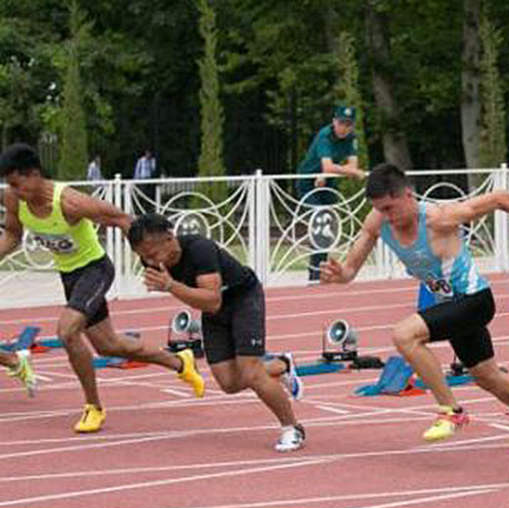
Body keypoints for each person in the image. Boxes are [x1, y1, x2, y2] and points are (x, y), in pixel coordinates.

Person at [319, 163, 509, 451]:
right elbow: (349, 271)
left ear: (408, 195)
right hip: (450, 305)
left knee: (405, 335)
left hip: (475, 300)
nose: (387, 217)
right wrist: (339, 275)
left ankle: (451, 411)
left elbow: (500, 197)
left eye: (390, 208)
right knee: (487, 377)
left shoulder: (439, 218)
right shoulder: (377, 222)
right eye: (379, 209)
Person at [0, 143, 205, 432]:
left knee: (67, 331)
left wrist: (148, 258)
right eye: (9, 185)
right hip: (69, 275)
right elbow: (12, 234)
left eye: (17, 184)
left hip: (95, 270)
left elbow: (122, 219)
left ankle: (93, 407)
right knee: (109, 345)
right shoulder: (14, 199)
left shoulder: (70, 202)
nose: (13, 191)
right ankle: (180, 362)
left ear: (34, 174)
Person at [127, 214, 306, 452]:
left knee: (251, 372)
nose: (148, 261)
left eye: (152, 254)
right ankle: (281, 365)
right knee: (228, 383)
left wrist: (170, 286)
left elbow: (212, 300)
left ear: (170, 238)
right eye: (143, 256)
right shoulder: (152, 261)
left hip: (242, 298)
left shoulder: (200, 249)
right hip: (213, 310)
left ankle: (292, 427)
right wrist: (171, 285)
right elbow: (208, 305)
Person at [296, 106, 366, 281]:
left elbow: (352, 165)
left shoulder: (351, 138)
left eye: (348, 124)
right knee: (319, 221)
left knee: (328, 225)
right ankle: (314, 273)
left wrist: (328, 173)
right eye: (341, 123)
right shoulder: (325, 135)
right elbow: (332, 166)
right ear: (334, 121)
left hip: (328, 182)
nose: (344, 128)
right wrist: (341, 171)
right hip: (308, 182)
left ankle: (320, 272)